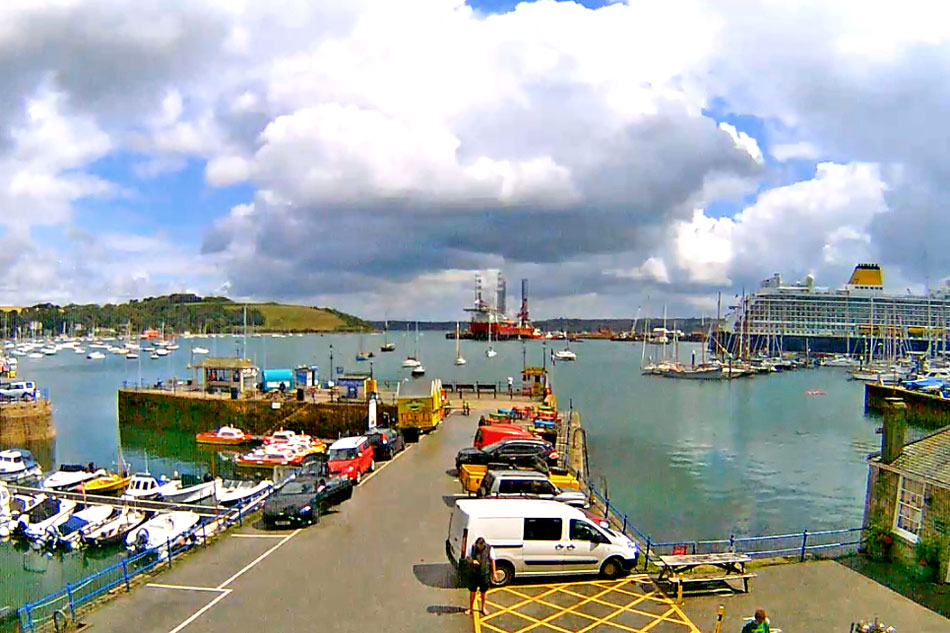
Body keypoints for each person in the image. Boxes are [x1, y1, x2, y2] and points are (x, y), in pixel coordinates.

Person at [464, 537, 496, 616]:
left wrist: (494, 573)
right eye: (477, 546)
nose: (479, 548)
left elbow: (492, 560)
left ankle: (483, 608)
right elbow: (467, 558)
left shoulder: (489, 549)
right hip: (474, 573)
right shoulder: (472, 548)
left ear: (483, 545)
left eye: (480, 546)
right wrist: (472, 561)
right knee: (472, 591)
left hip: (485, 574)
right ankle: (471, 608)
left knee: (483, 592)